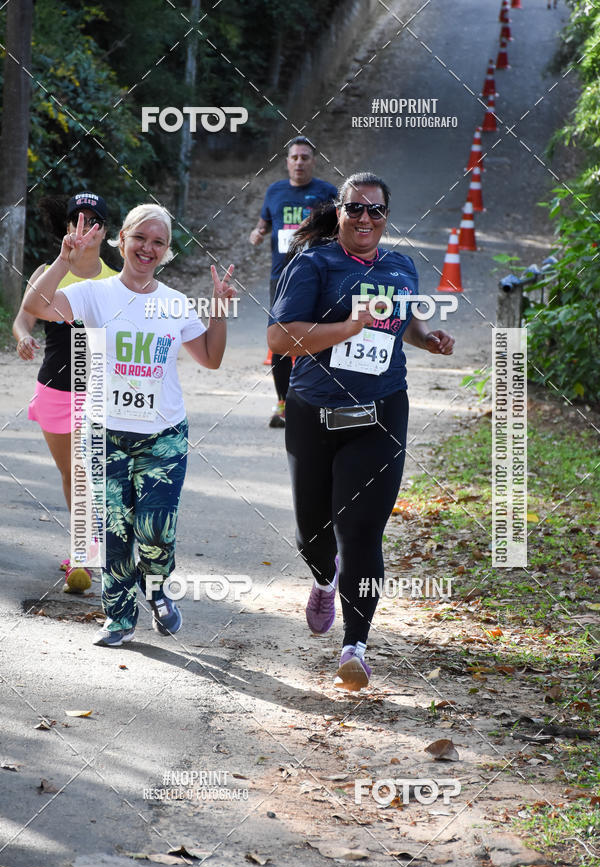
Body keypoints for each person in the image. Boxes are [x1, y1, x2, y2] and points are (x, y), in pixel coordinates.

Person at [267, 172, 455, 691]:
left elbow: (405, 323)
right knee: (315, 535)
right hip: (315, 413)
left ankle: (356, 645)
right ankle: (323, 579)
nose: (365, 219)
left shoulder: (399, 266)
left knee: (362, 531)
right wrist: (347, 328)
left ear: (386, 216)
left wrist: (427, 338)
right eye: (356, 210)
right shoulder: (313, 263)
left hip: (381, 413)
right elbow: (280, 337)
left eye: (375, 211)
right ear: (340, 212)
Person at [24, 203, 235, 647]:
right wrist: (64, 258)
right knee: (113, 532)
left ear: (166, 251)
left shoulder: (175, 303)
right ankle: (118, 618)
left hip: (164, 436)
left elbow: (211, 359)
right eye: (141, 238)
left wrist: (218, 310)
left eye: (158, 242)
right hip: (104, 433)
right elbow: (37, 305)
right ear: (122, 239)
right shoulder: (95, 293)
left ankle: (158, 591)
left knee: (155, 532)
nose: (148, 248)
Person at [13, 192, 117, 593]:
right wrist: (23, 338)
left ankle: (84, 553)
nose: (83, 227)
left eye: (92, 220)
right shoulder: (49, 270)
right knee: (69, 473)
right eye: (77, 219)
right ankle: (88, 546)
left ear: (104, 231)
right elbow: (25, 316)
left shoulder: (115, 279)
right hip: (54, 388)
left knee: (84, 472)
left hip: (96, 392)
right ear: (68, 227)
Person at [249, 137, 337, 427]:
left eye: (305, 157)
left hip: (319, 276)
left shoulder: (327, 192)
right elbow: (265, 221)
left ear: (313, 161)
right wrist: (258, 232)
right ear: (287, 162)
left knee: (320, 338)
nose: (299, 162)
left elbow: (341, 228)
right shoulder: (275, 191)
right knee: (280, 341)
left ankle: (320, 402)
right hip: (282, 277)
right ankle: (284, 403)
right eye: (294, 157)